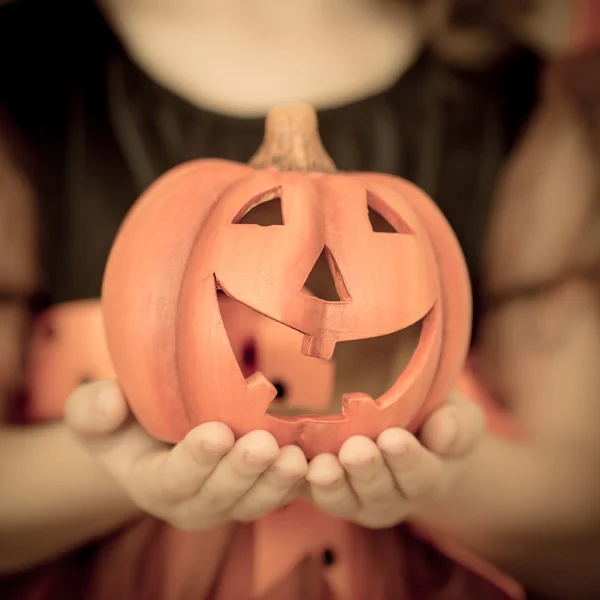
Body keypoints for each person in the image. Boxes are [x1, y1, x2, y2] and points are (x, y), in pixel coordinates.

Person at [0, 0, 599, 598]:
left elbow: (583, 529)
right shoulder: (25, 76)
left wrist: (448, 482)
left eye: (380, 225)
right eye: (265, 220)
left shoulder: (521, 100)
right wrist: (116, 469)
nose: (326, 291)